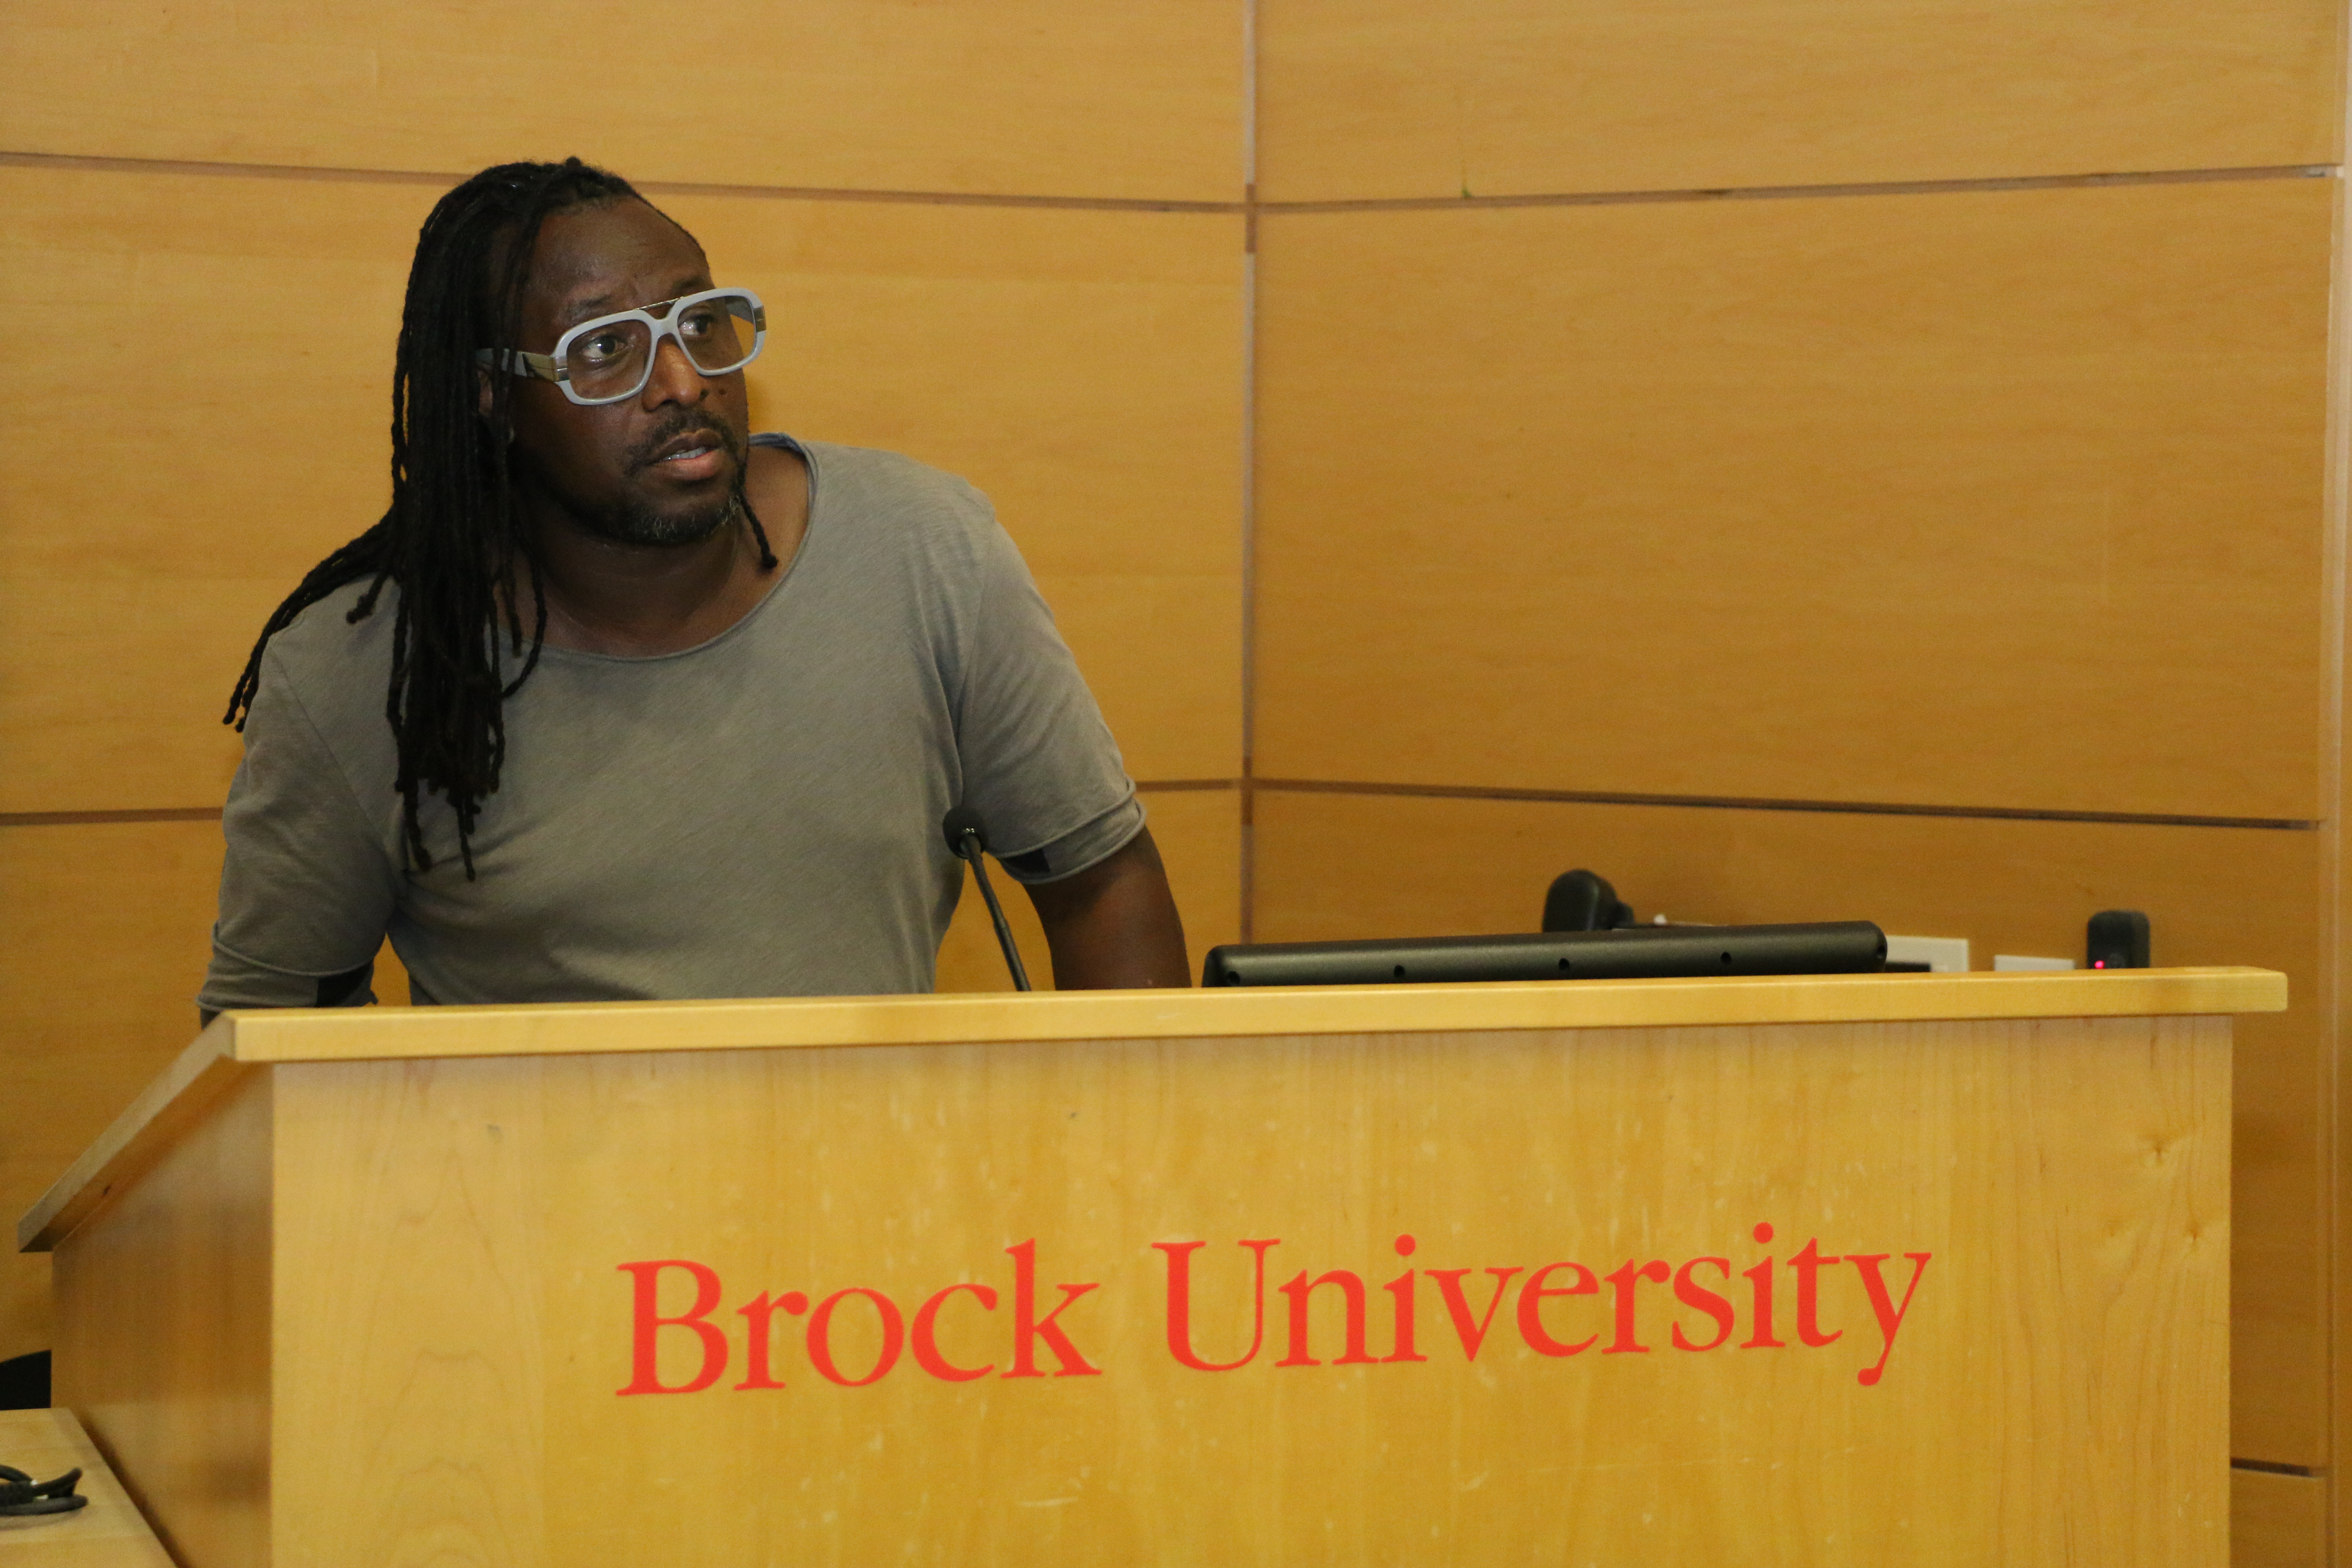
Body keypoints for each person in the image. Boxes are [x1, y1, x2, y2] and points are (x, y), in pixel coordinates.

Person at [199, 158, 1188, 1017]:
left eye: (700, 323)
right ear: (494, 400)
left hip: (890, 1202)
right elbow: (274, 1037)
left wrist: (1136, 1163)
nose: (681, 382)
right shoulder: (369, 666)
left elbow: (1103, 885)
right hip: (541, 1227)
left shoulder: (924, 553)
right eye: (605, 348)